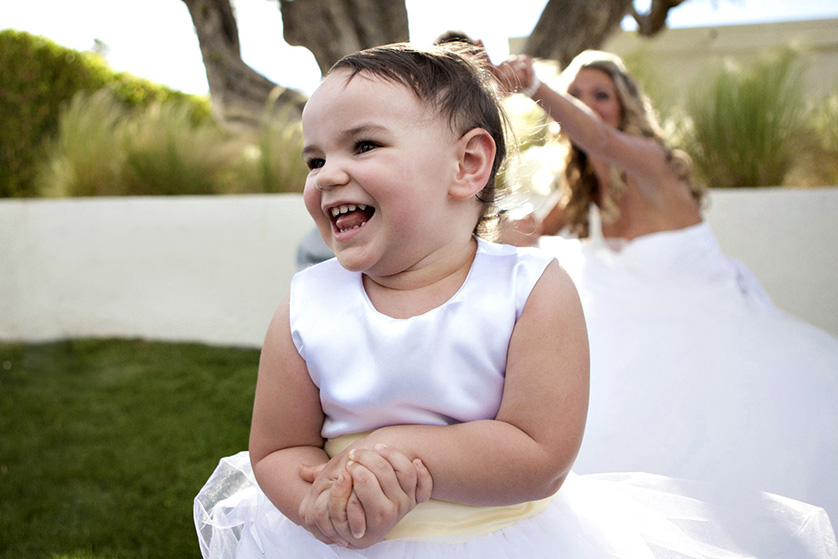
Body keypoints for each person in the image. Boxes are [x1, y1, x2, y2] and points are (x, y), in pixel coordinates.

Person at [194, 43, 837, 558]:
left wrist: (399, 451)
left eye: (363, 145)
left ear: (468, 166)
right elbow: (277, 447)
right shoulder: (307, 301)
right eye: (314, 158)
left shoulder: (529, 291)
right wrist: (314, 500)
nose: (328, 173)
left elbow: (540, 452)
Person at [496, 49, 838, 532]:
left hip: (702, 312)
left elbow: (595, 134)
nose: (588, 104)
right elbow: (530, 235)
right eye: (578, 94)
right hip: (635, 312)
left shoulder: (651, 161)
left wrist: (536, 87)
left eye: (602, 94)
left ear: (627, 105)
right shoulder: (585, 184)